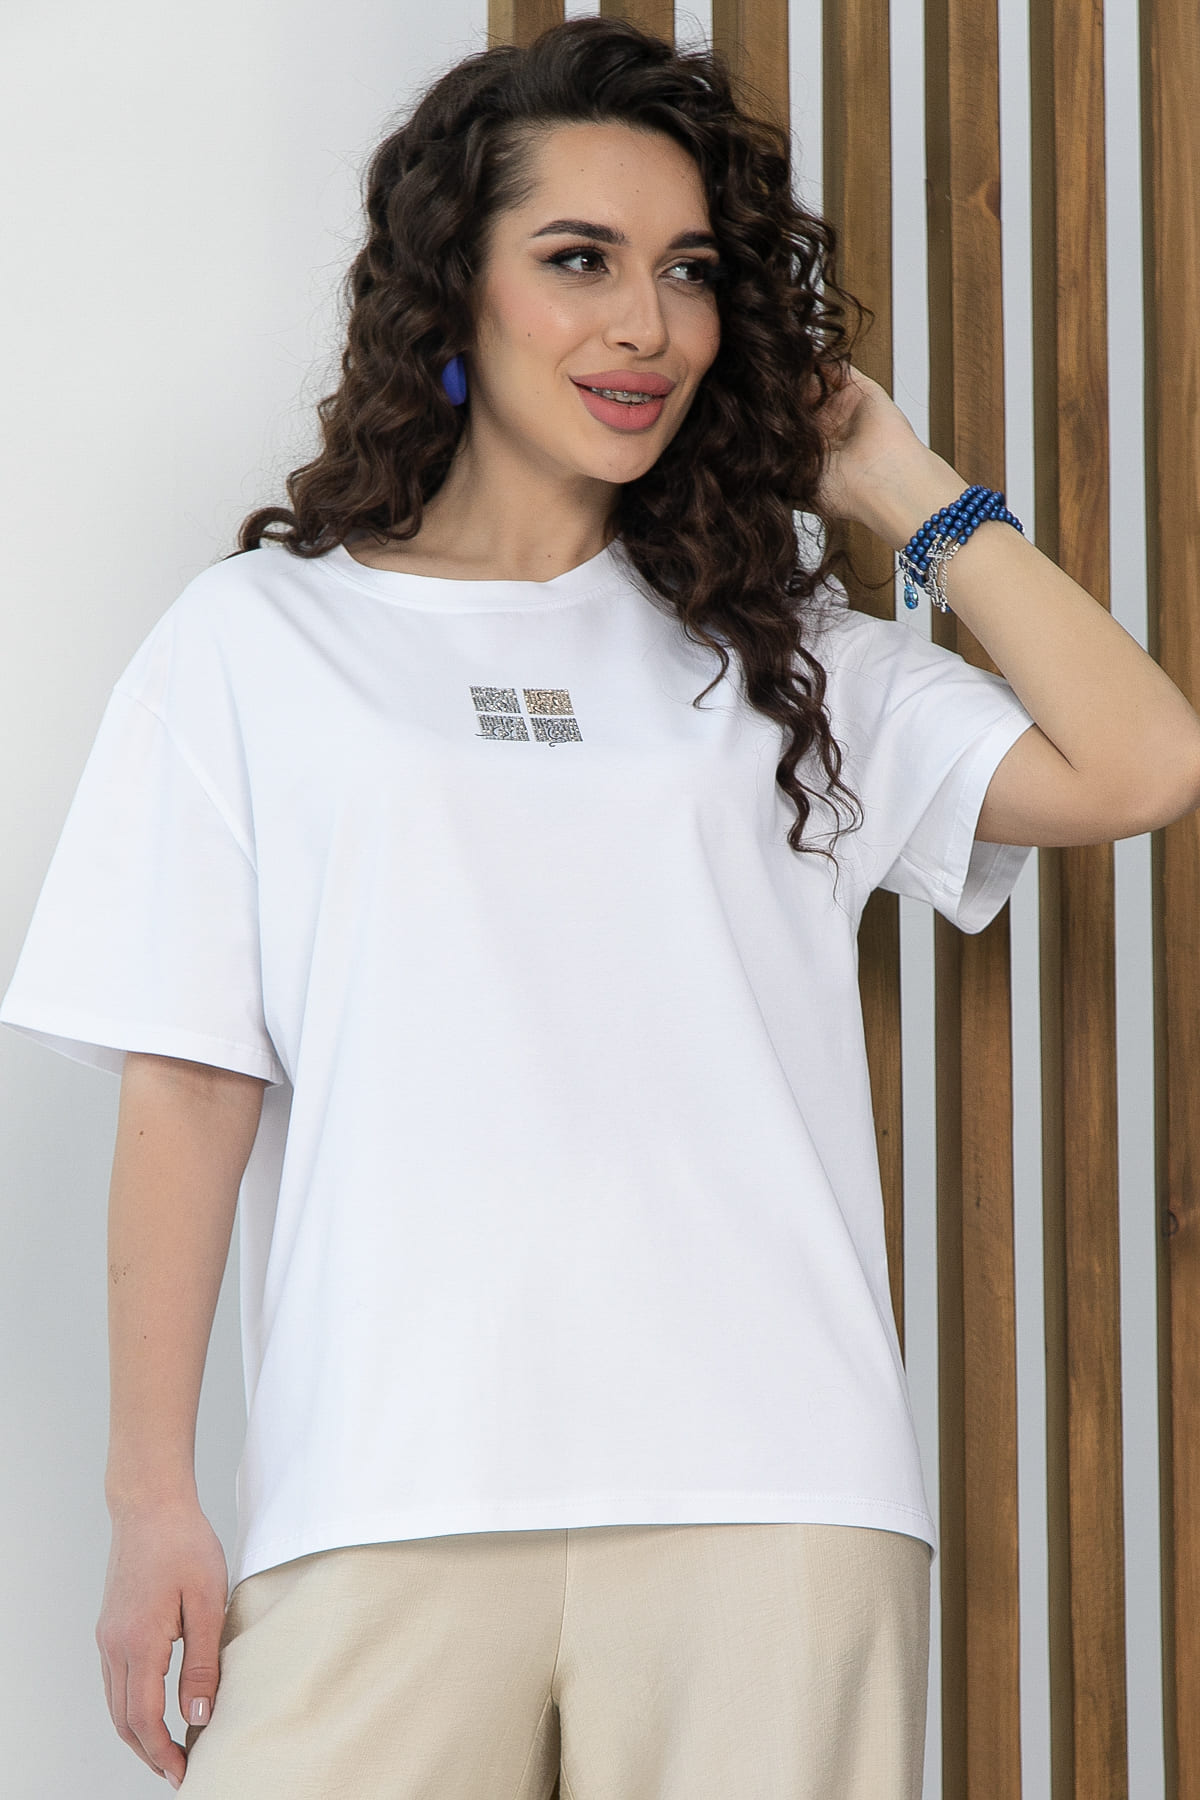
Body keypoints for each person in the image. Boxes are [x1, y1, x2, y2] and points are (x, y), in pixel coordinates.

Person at [3, 16, 1198, 1800]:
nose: (647, 324)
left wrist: (900, 488)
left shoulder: (783, 662)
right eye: (580, 260)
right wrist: (149, 1495)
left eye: (689, 272)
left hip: (775, 1496)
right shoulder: (258, 645)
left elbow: (1142, 762)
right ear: (455, 290)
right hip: (383, 1495)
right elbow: (189, 1080)